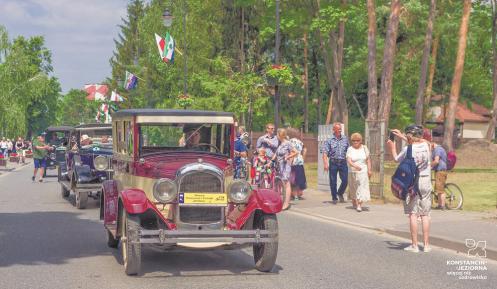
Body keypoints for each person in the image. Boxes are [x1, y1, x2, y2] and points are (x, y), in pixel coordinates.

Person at [388, 125, 432, 253]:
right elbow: (420, 141)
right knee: (425, 214)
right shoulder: (427, 146)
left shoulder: (408, 149)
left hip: (413, 183)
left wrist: (392, 146)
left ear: (409, 136)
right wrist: (404, 136)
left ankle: (414, 245)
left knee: (413, 213)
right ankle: (427, 245)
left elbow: (397, 159)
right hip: (426, 181)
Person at [321, 123, 349, 204]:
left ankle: (340, 193)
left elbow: (348, 151)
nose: (340, 130)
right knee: (333, 181)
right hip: (333, 162)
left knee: (345, 180)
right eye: (338, 129)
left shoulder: (345, 139)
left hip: (343, 162)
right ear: (334, 130)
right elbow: (325, 153)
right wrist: (325, 164)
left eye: (340, 128)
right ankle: (334, 197)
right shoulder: (329, 140)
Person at [346, 133, 372, 212]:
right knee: (353, 188)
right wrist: (355, 166)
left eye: (357, 140)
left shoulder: (364, 148)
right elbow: (349, 160)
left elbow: (368, 160)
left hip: (363, 171)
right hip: (352, 171)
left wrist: (369, 170)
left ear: (361, 141)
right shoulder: (350, 149)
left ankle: (359, 204)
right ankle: (354, 200)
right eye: (353, 140)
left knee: (361, 187)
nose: (355, 142)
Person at [274, 128, 298, 210]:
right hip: (279, 166)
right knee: (281, 183)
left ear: (279, 135)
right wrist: (271, 161)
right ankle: (281, 201)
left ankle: (286, 203)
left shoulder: (287, 143)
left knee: (286, 183)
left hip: (285, 166)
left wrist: (287, 157)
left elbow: (296, 152)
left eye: (277, 134)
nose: (276, 136)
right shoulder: (280, 144)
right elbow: (276, 154)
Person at [287, 128, 307, 201]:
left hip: (292, 162)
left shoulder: (289, 142)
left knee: (293, 179)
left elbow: (291, 152)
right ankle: (299, 194)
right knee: (299, 178)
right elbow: (305, 150)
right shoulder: (300, 141)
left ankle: (294, 195)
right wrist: (302, 158)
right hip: (300, 161)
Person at [431, 142, 448, 210]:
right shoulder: (438, 149)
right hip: (439, 170)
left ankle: (442, 205)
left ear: (432, 145)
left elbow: (436, 161)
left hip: (440, 171)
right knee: (438, 188)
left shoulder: (437, 149)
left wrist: (429, 166)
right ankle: (439, 205)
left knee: (440, 189)